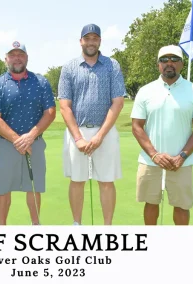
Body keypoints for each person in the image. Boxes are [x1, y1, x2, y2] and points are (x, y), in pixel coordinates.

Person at [130, 45, 193, 225]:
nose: (169, 63)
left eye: (174, 59)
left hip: (182, 161)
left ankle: (179, 246)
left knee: (182, 206)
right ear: (158, 65)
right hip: (150, 160)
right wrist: (154, 154)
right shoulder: (146, 91)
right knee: (150, 203)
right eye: (164, 60)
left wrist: (182, 156)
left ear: (181, 64)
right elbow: (137, 126)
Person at [58, 24, 126, 225]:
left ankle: (107, 227)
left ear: (100, 41)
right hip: (76, 132)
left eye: (95, 38)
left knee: (106, 181)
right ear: (81, 41)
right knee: (77, 181)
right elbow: (64, 106)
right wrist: (78, 138)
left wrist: (99, 136)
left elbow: (118, 102)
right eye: (87, 38)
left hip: (105, 131)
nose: (91, 42)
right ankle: (77, 224)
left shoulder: (112, 65)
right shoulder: (69, 68)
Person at [0, 41, 56, 225]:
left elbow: (50, 112)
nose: (17, 58)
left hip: (35, 143)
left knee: (34, 187)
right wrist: (18, 140)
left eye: (20, 54)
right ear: (6, 59)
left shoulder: (40, 82)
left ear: (26, 57)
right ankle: (2, 228)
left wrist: (30, 136)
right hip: (7, 144)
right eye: (13, 54)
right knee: (3, 189)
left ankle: (35, 225)